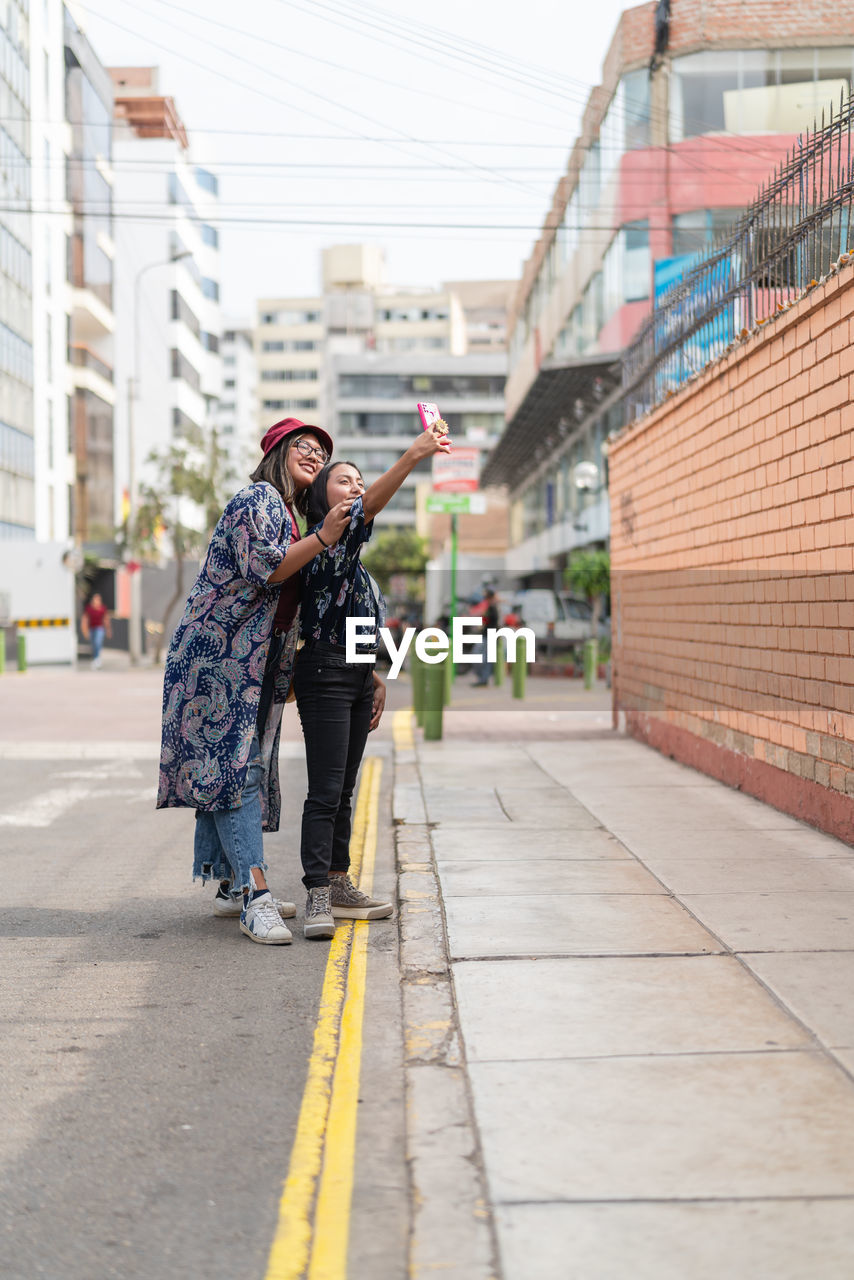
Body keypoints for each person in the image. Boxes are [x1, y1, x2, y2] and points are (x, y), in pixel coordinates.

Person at [157, 417, 353, 945]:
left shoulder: (289, 513)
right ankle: (253, 895)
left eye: (322, 451)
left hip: (253, 660)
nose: (315, 456)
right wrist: (323, 535)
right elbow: (268, 570)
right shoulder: (259, 499)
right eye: (304, 447)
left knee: (236, 767)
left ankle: (225, 883)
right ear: (277, 451)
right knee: (237, 770)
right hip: (218, 658)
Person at [294, 418, 451, 940]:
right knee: (325, 790)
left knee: (345, 791)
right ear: (320, 499)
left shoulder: (354, 564)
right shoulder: (326, 542)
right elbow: (366, 508)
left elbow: (357, 619)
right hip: (324, 675)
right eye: (345, 479)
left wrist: (375, 676)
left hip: (355, 677)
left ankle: (338, 883)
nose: (356, 486)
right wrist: (413, 454)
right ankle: (317, 891)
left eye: (360, 479)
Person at [471, 587, 499, 686]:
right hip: (486, 635)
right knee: (482, 657)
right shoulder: (488, 606)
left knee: (483, 658)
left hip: (489, 635)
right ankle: (482, 679)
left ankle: (483, 679)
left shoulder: (492, 607)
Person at [81, 593, 112, 669]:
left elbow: (106, 619)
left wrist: (108, 630)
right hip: (91, 629)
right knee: (93, 644)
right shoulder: (89, 609)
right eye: (95, 599)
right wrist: (85, 630)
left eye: (98, 599)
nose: (97, 601)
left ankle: (97, 659)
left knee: (98, 642)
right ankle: (95, 658)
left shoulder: (102, 608)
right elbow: (85, 619)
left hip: (99, 628)